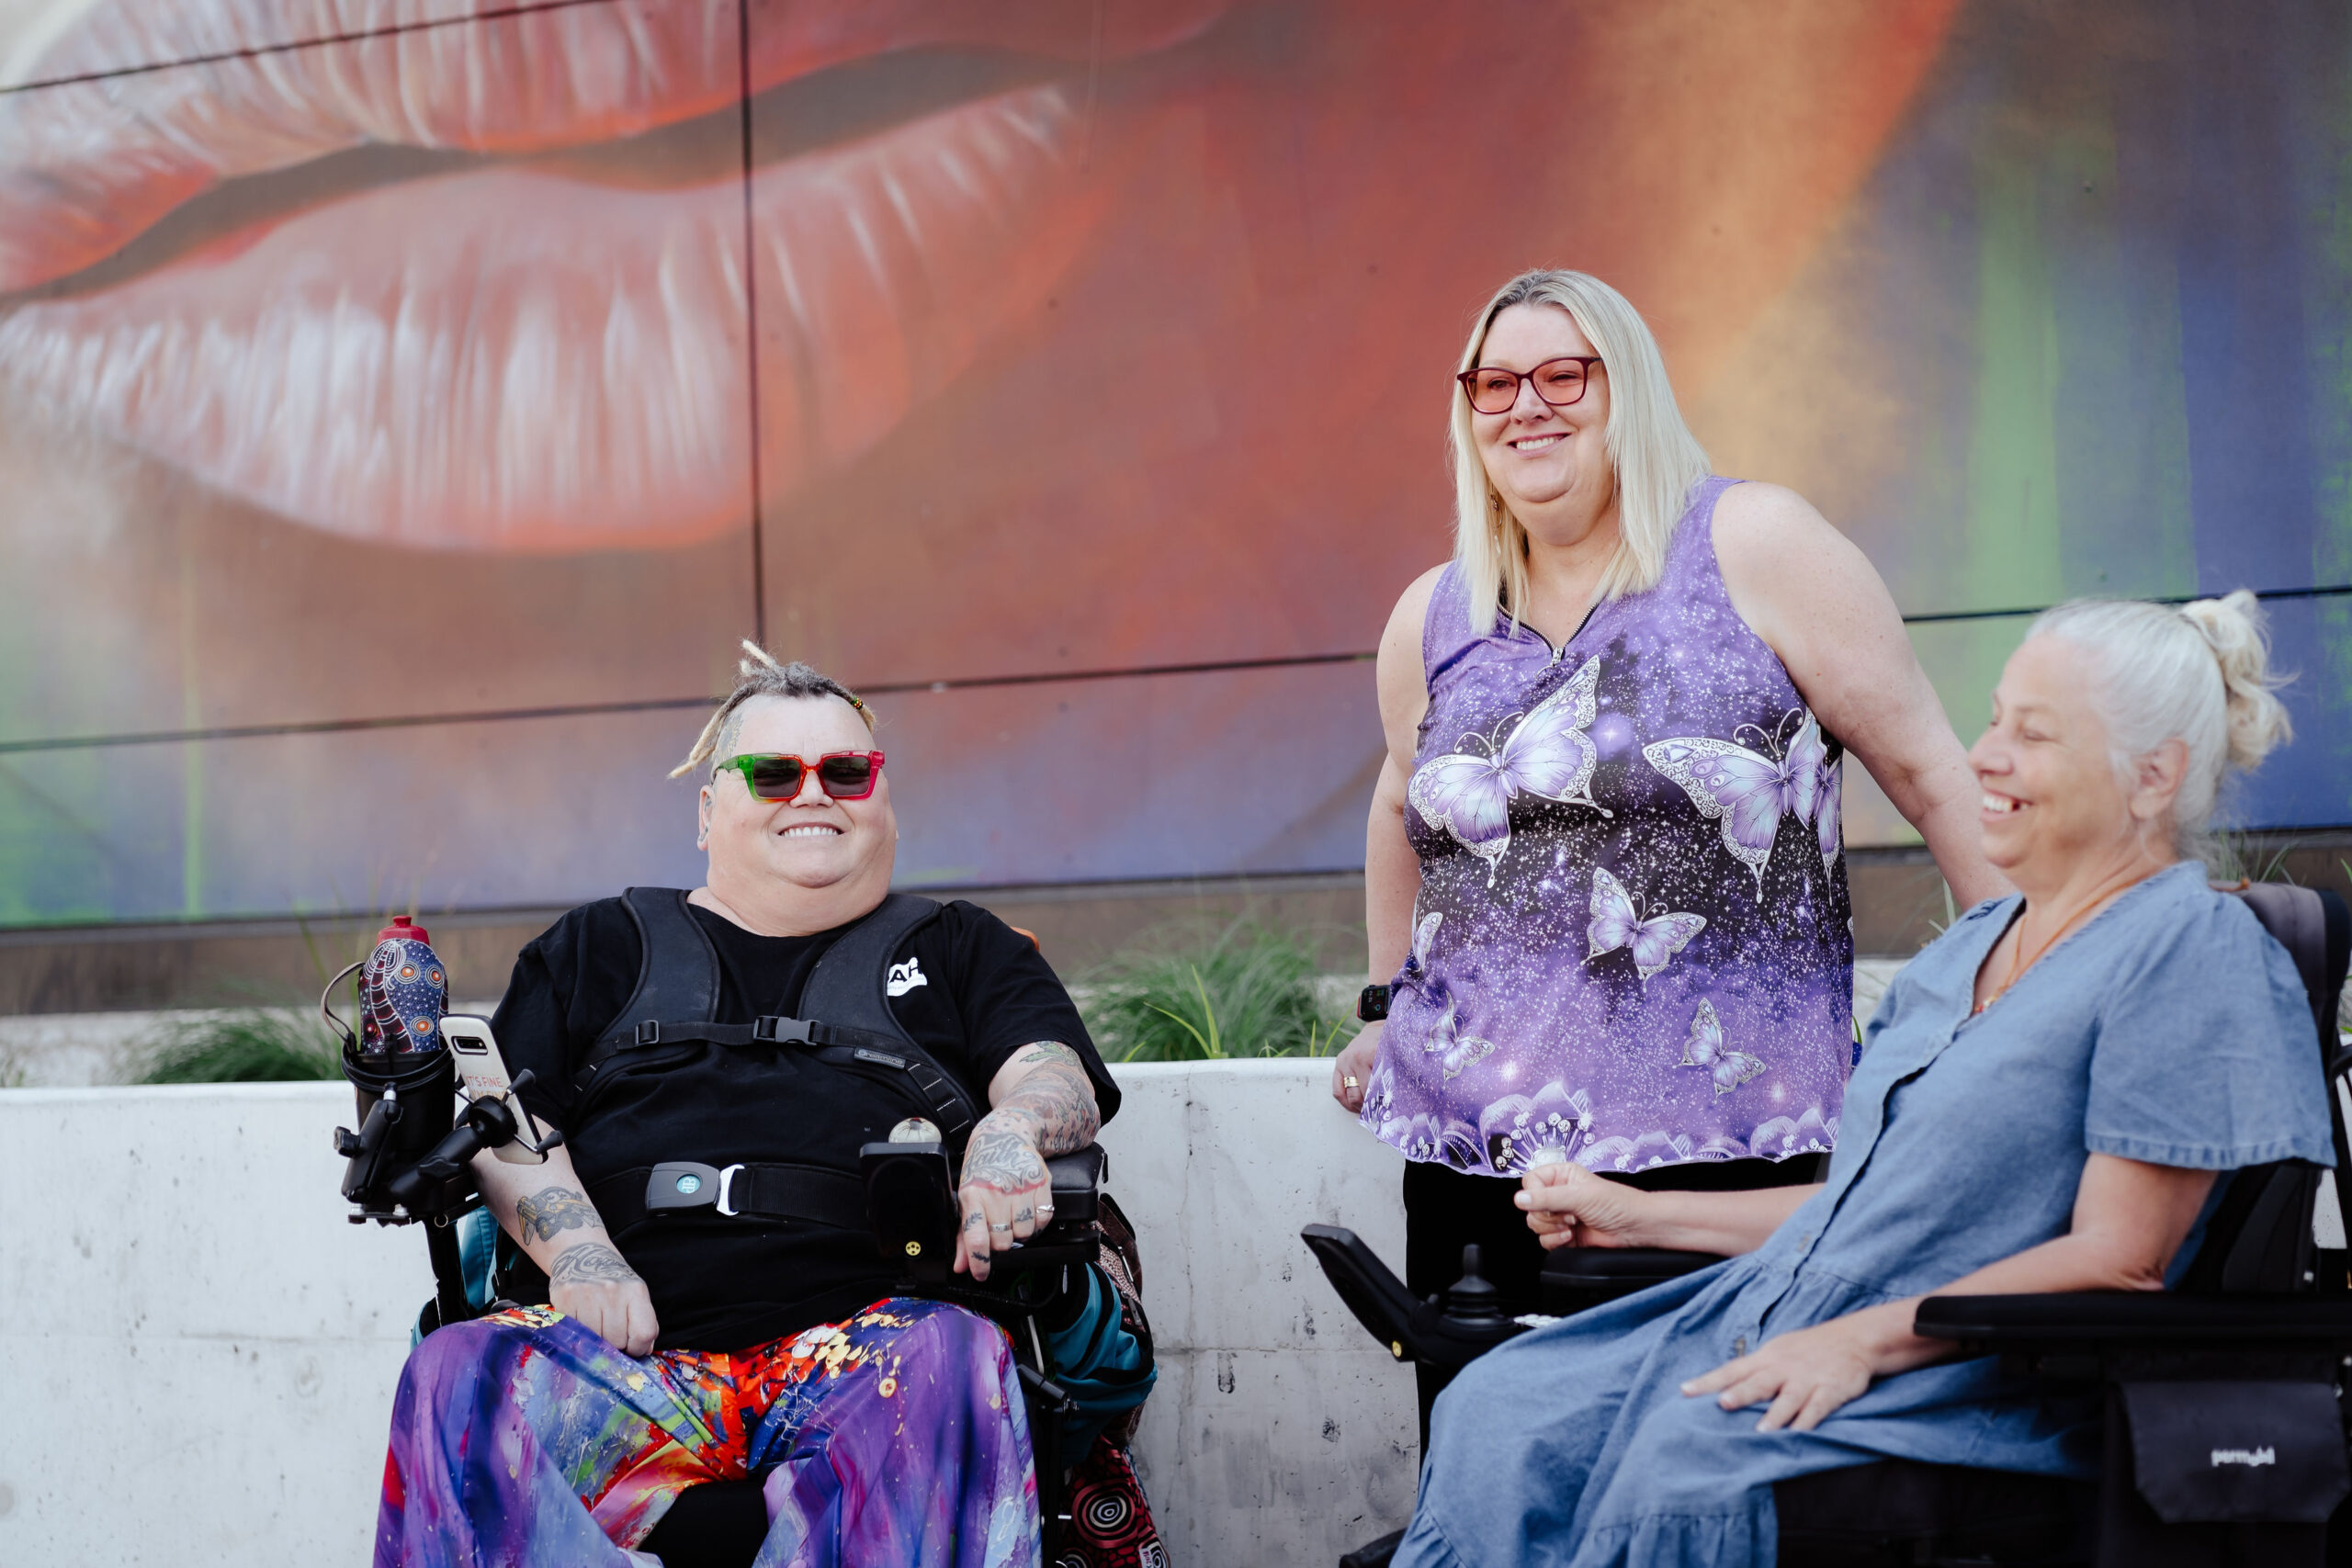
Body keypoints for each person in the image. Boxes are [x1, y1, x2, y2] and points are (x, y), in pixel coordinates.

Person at [1393, 591, 2332, 1568]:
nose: (1985, 756)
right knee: (1501, 1411)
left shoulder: (2188, 951)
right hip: (1783, 1315)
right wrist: (1638, 1214)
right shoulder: (1967, 950)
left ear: (2152, 779)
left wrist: (1860, 1342)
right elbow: (1863, 1215)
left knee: (1682, 1471)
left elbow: (2120, 1260)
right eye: (1996, 718)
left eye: (2034, 734)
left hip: (1967, 1380)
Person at [1329, 267, 2008, 1437]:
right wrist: (1387, 1002)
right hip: (1475, 1165)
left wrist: (2027, 993)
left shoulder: (1753, 543)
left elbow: (1931, 773)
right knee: (1498, 1480)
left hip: (1731, 1145)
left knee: (1706, 1482)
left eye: (1562, 374)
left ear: (1626, 389)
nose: (1524, 406)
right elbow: (1404, 808)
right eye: (1494, 382)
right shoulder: (1433, 613)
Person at [373, 646, 1150, 1568]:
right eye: (774, 773)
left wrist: (1012, 1131)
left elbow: (1050, 1071)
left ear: (884, 800)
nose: (813, 794)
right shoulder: (598, 946)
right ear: (709, 810)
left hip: (874, 1350)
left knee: (951, 1363)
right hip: (632, 1363)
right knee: (458, 1379)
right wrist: (580, 1256)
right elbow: (509, 1129)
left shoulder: (960, 946)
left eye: (847, 772)